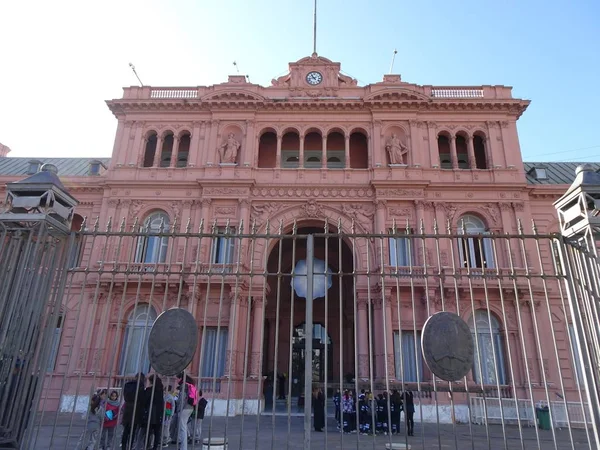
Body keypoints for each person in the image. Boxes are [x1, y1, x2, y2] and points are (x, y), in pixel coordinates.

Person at [121, 373, 145, 450]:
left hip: (127, 408)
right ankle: (130, 446)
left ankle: (124, 446)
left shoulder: (127, 385)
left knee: (126, 430)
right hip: (136, 409)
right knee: (133, 431)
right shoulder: (140, 385)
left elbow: (125, 396)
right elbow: (141, 398)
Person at [142, 374, 164, 450]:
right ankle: (155, 447)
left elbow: (144, 401)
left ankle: (147, 445)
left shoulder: (149, 390)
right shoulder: (160, 391)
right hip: (158, 412)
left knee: (148, 431)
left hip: (150, 411)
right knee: (157, 432)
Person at [176, 372, 195, 450]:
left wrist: (178, 410)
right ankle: (183, 446)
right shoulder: (189, 384)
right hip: (190, 407)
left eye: (177, 378)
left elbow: (182, 399)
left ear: (180, 378)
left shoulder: (184, 385)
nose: (176, 380)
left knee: (182, 428)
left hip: (184, 408)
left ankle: (183, 447)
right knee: (184, 427)